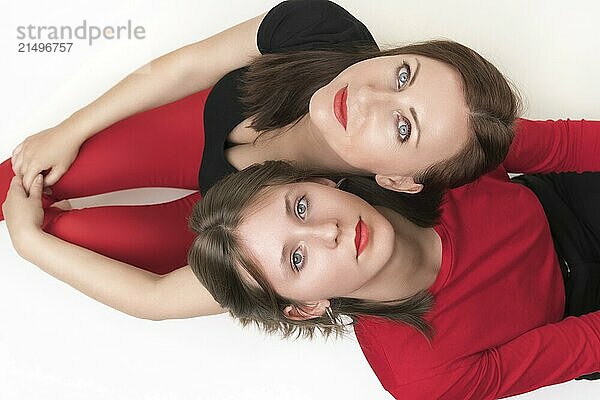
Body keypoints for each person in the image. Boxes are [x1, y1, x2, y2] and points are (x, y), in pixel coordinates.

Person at [0, 1, 519, 318]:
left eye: (402, 127)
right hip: (193, 126)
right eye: (403, 75)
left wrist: (28, 244)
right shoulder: (323, 30)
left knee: (58, 237)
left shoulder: (351, 225)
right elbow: (181, 68)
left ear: (399, 178)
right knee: (17, 178)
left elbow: (155, 298)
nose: (366, 97)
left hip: (223, 227)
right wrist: (68, 129)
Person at [182, 115, 600, 398]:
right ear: (305, 308)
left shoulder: (407, 156)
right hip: (579, 315)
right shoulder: (421, 376)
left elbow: (557, 143)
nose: (328, 231)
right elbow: (587, 343)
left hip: (562, 201)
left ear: (319, 180)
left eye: (301, 207)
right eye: (296, 259)